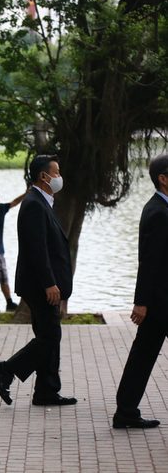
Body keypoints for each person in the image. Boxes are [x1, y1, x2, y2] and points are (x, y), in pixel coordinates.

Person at [0, 155, 76, 407]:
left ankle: (46, 391)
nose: (59, 177)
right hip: (41, 285)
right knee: (50, 336)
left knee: (48, 334)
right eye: (56, 172)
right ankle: (6, 369)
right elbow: (37, 250)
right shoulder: (34, 204)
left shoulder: (41, 202)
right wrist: (50, 283)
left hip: (43, 283)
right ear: (43, 176)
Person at [112, 155, 168, 429]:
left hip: (159, 301)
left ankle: (125, 411)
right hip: (161, 302)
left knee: (142, 355)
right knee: (142, 355)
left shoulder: (159, 208)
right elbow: (150, 261)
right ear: (163, 178)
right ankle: (125, 410)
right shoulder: (159, 211)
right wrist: (141, 303)